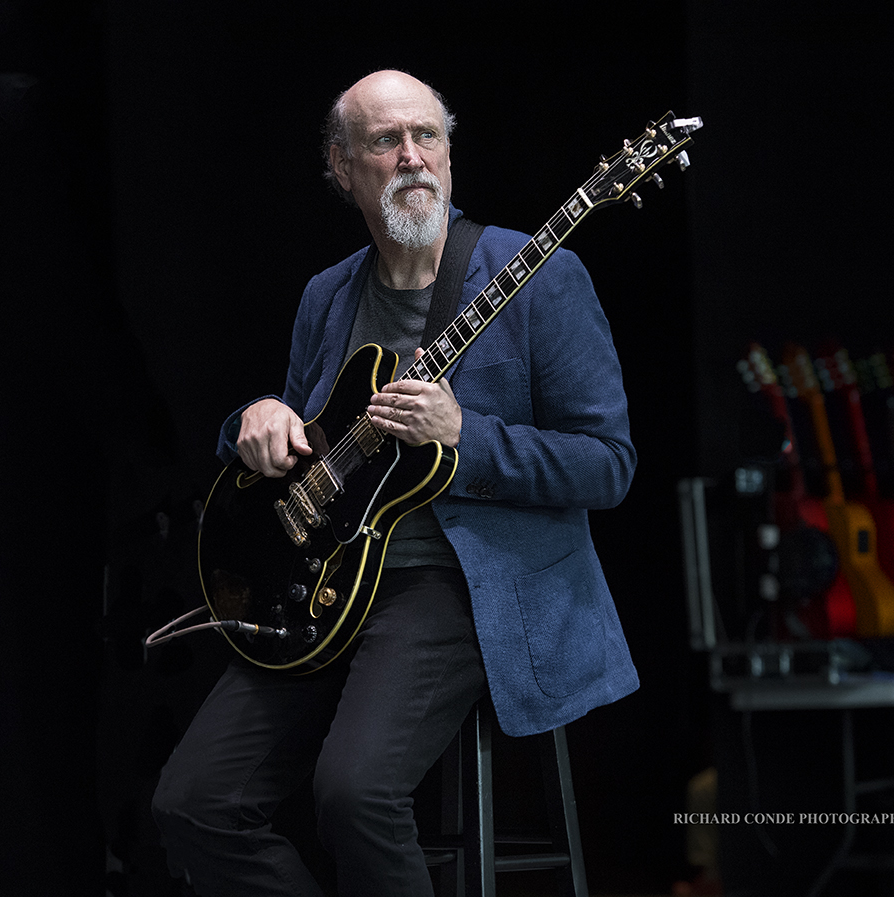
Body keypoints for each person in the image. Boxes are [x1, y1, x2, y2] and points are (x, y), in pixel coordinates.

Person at [152, 69, 638, 896]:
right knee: (193, 801)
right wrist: (254, 420)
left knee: (353, 790)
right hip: (326, 587)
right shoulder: (329, 293)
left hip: (456, 586)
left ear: (450, 155)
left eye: (429, 137)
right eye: (385, 141)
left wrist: (467, 437)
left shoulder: (538, 277)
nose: (412, 156)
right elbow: (306, 443)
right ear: (343, 170)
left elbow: (608, 464)